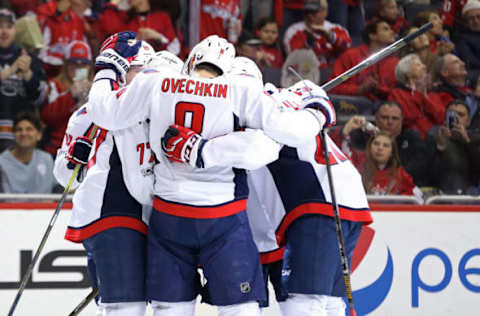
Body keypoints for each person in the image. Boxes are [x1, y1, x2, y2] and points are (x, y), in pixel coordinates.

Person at [85, 34, 333, 315]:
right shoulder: (239, 89)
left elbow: (103, 111)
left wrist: (107, 66)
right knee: (240, 308)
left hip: (168, 216)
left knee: (169, 308)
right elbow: (280, 139)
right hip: (223, 218)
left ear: (190, 61)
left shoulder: (154, 81)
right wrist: (318, 111)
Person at [162, 79, 372, 316]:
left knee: (305, 303)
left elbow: (255, 151)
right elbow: (321, 103)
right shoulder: (289, 97)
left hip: (318, 203)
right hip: (346, 197)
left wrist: (199, 150)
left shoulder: (254, 110)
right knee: (330, 302)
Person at [53, 32, 156, 316]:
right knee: (125, 306)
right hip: (111, 214)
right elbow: (63, 176)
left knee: (119, 304)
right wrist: (74, 162)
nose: (144, 77)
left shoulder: (153, 107)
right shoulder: (86, 114)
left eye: (147, 70)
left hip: (142, 217)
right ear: (120, 71)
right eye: (137, 69)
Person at [330, 101, 434, 186]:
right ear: (376, 118)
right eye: (385, 117)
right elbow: (337, 155)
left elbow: (419, 171)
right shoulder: (361, 135)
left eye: (395, 118)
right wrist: (345, 130)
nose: (389, 122)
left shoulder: (412, 139)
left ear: (402, 120)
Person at [0, 7, 47, 152]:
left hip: (21, 136)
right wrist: (11, 71)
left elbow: (41, 99)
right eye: (0, 26)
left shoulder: (30, 60)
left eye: (9, 26)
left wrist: (28, 75)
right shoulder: (18, 62)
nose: (4, 31)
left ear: (16, 30)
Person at [41, 40, 93, 157]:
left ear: (89, 66)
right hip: (58, 148)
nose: (78, 68)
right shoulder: (54, 85)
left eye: (83, 64)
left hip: (86, 149)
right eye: (73, 63)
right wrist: (70, 96)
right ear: (65, 64)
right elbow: (47, 118)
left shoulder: (97, 87)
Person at [329, 19, 398, 101]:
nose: (392, 32)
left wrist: (379, 90)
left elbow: (398, 92)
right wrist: (359, 90)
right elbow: (333, 86)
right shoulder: (350, 56)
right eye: (386, 29)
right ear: (372, 35)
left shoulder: (395, 62)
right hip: (354, 105)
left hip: (385, 107)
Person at [389, 54, 445, 139]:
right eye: (418, 65)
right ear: (407, 72)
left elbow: (441, 118)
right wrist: (418, 94)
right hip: (411, 137)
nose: (424, 67)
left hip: (436, 135)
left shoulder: (433, 95)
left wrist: (424, 97)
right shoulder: (397, 93)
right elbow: (408, 117)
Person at [283, 0, 352, 69]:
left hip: (333, 75)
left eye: (314, 12)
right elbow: (292, 59)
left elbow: (347, 50)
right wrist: (308, 43)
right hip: (306, 76)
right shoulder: (293, 31)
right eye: (307, 12)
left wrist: (329, 36)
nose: (309, 15)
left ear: (325, 12)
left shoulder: (337, 29)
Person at [430, 99, 480, 194]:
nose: (456, 117)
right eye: (452, 114)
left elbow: (477, 173)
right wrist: (441, 146)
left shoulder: (475, 139)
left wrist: (467, 142)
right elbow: (427, 173)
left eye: (461, 115)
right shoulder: (434, 134)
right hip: (442, 192)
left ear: (468, 121)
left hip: (469, 193)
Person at [96, 0, 180, 54]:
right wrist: (113, 3)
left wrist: (158, 37)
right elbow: (109, 30)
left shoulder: (162, 17)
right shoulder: (125, 18)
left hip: (157, 70)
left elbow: (175, 50)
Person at [0, 111, 55, 193]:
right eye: (19, 130)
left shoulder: (47, 159)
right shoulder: (1, 162)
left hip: (45, 206)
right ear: (13, 135)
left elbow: (60, 188)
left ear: (39, 135)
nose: (23, 133)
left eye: (29, 129)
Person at [36, 0, 90, 78]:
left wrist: (80, 78)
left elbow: (86, 56)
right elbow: (42, 55)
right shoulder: (47, 16)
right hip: (51, 73)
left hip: (74, 73)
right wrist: (65, 64)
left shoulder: (80, 21)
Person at [361, 131, 418, 196]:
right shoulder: (359, 173)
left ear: (392, 152)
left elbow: (418, 199)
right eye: (376, 144)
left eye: (385, 145)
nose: (380, 148)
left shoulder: (401, 175)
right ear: (369, 147)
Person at [453, 0, 480, 73]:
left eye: (478, 17)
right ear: (466, 22)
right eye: (471, 18)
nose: (476, 21)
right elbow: (470, 62)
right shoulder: (461, 39)